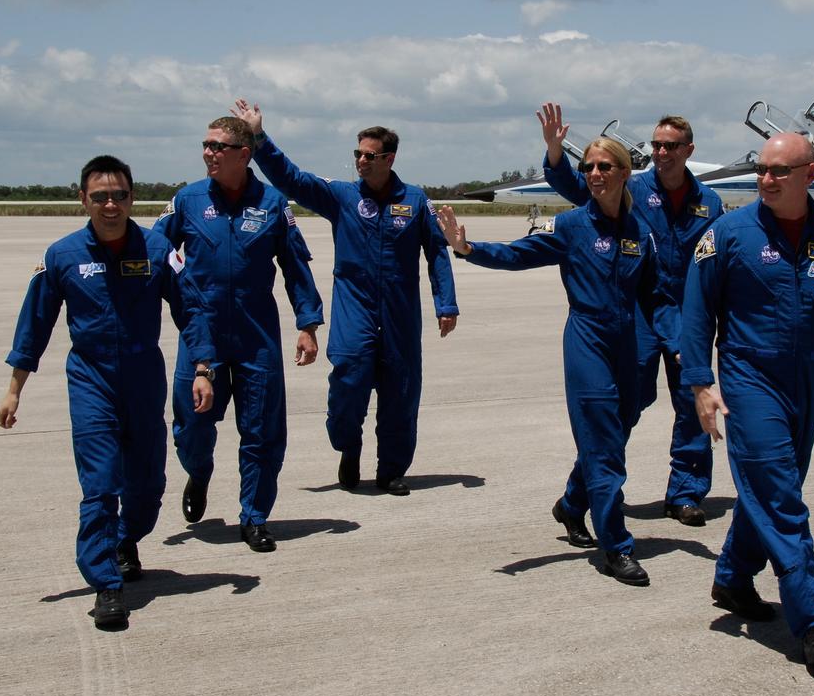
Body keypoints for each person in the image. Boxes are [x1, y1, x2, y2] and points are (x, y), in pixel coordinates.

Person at [681, 132, 814, 665]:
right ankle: (812, 620)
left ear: (810, 174)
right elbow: (697, 312)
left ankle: (731, 580)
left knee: (774, 487)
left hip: (807, 379)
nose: (766, 179)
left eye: (779, 171)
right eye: (762, 169)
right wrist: (701, 384)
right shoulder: (728, 233)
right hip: (749, 378)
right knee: (781, 497)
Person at [438, 121, 674, 587]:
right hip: (586, 340)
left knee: (618, 430)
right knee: (605, 447)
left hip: (627, 344)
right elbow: (519, 254)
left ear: (625, 172)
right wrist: (466, 248)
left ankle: (570, 504)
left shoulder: (640, 230)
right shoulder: (570, 226)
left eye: (604, 166)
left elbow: (660, 296)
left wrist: (679, 345)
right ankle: (617, 547)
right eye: (587, 167)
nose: (594, 173)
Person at [0, 155, 216, 630]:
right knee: (100, 485)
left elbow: (193, 311)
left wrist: (203, 368)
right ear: (83, 199)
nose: (110, 205)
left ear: (131, 197)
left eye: (118, 195)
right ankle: (107, 585)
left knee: (149, 485)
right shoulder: (62, 255)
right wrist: (15, 389)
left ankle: (125, 540)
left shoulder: (159, 250)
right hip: (91, 382)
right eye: (100, 196)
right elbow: (33, 326)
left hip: (143, 380)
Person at [231, 99, 458, 495]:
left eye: (369, 155)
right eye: (357, 153)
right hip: (355, 308)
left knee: (401, 394)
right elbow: (292, 179)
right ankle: (347, 446)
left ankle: (391, 471)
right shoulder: (341, 197)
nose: (360, 161)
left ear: (389, 158)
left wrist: (446, 303)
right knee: (348, 379)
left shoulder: (416, 201)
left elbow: (437, 253)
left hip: (401, 314)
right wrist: (259, 137)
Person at [542, 104, 724, 526]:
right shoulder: (632, 188)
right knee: (624, 407)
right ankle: (579, 494)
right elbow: (575, 184)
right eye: (657, 145)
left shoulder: (709, 202)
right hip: (638, 313)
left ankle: (685, 494)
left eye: (671, 146)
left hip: (690, 317)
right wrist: (555, 152)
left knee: (692, 403)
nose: (662, 153)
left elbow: (718, 259)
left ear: (688, 149)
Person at [154, 117, 323, 554]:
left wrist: (307, 324)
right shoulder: (187, 201)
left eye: (219, 146)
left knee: (262, 433)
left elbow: (296, 266)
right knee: (191, 427)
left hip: (255, 337)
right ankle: (200, 470)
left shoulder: (271, 203)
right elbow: (154, 251)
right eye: (206, 144)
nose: (209, 153)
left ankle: (255, 516)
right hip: (200, 336)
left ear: (244, 154)